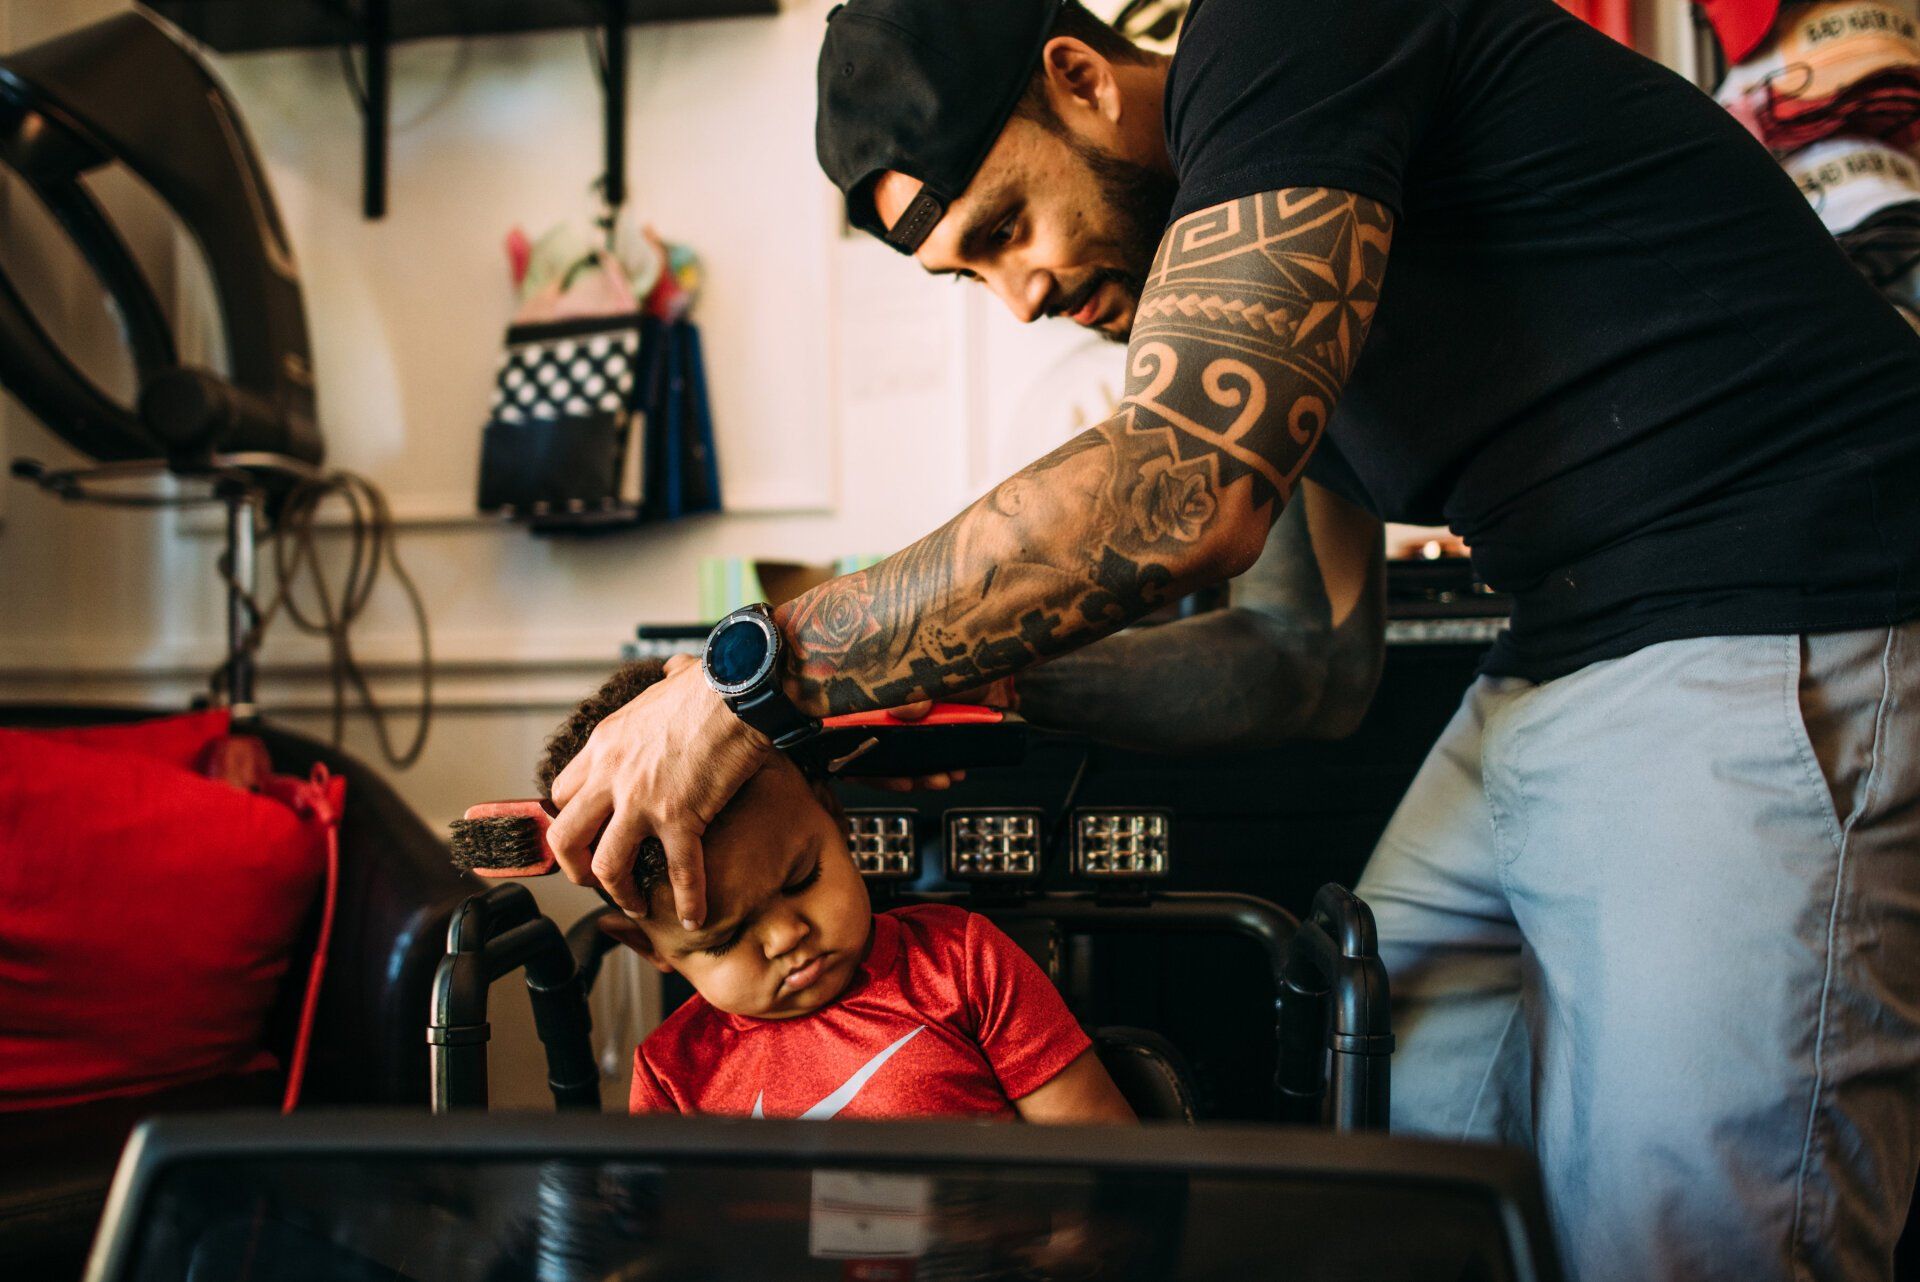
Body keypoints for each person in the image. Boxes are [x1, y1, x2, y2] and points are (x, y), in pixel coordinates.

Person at [546, 0, 1920, 1277]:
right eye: (973, 273)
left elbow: (1183, 486)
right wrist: (964, 682)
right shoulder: (1239, 259)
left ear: (1078, 79)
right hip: (1564, 643)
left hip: (1776, 602)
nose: (1020, 295)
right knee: (1398, 1153)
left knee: (1686, 1236)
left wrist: (754, 675)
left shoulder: (1280, 40)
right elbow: (1302, 660)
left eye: (1009, 220)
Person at [542, 659, 1136, 1123]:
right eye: (723, 940)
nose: (786, 936)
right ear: (654, 951)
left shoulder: (961, 964)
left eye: (803, 879)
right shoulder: (673, 1076)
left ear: (835, 819)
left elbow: (1102, 1173)